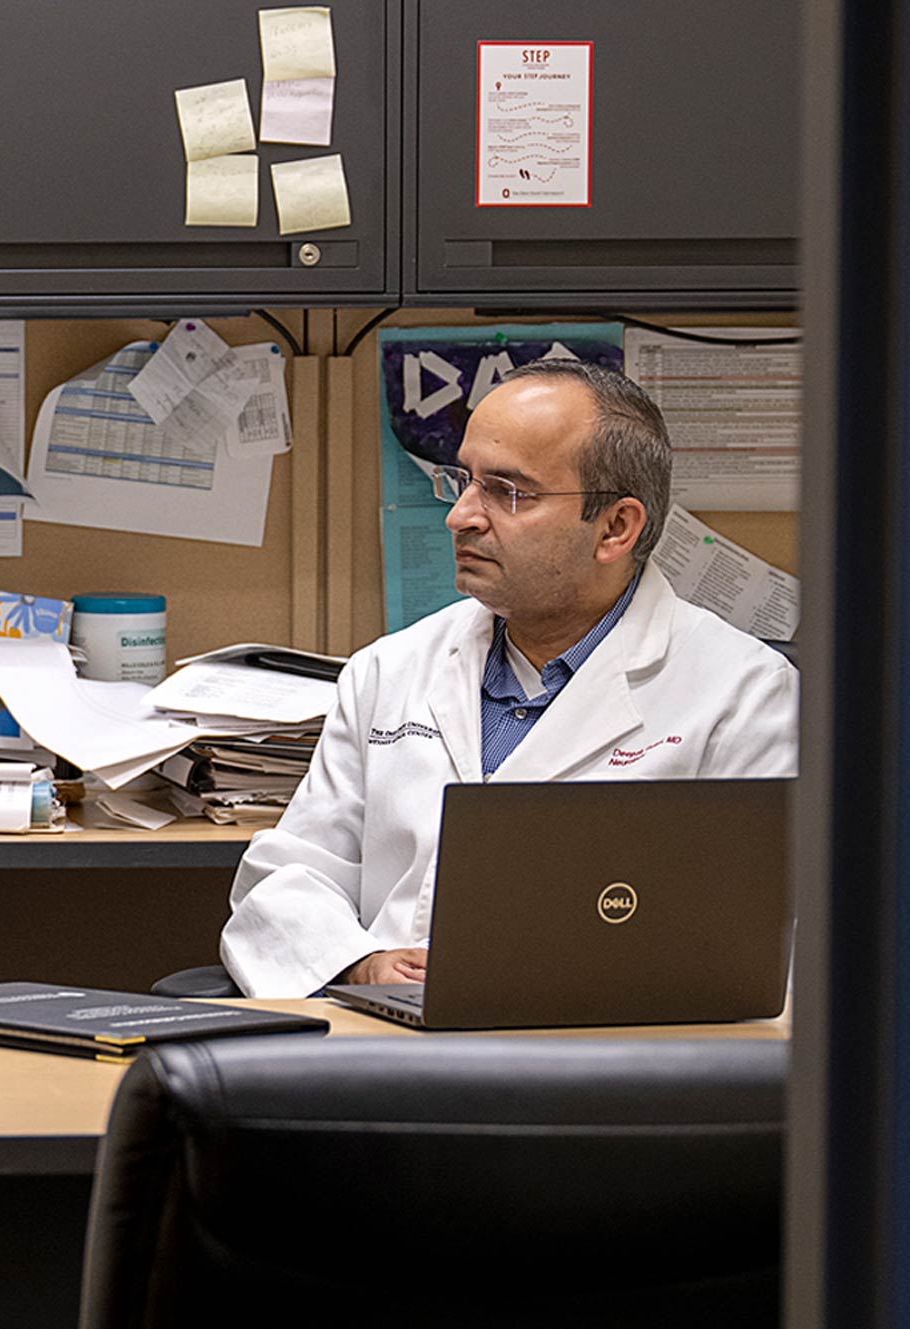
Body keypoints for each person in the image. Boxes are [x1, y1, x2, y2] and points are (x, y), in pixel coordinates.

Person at [221, 360, 799, 997]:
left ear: (616, 527)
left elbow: (759, 939)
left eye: (508, 492)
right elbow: (288, 877)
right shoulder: (390, 670)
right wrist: (360, 962)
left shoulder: (742, 695)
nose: (461, 516)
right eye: (464, 481)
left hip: (608, 1053)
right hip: (383, 1037)